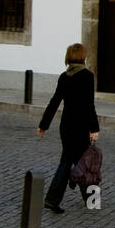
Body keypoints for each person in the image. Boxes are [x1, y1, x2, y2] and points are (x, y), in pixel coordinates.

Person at [37, 43, 100, 214]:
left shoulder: (64, 76)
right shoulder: (87, 76)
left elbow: (54, 101)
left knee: (71, 161)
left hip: (66, 126)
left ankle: (57, 199)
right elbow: (89, 105)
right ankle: (91, 200)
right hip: (80, 126)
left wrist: (44, 125)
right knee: (84, 164)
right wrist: (94, 128)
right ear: (83, 57)